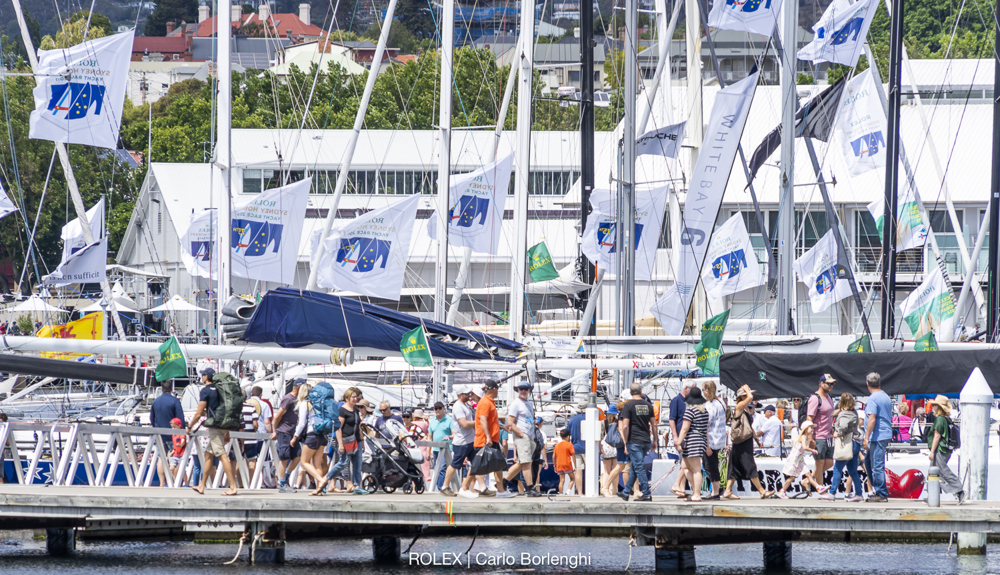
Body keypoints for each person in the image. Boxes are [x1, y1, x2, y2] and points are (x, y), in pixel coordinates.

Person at [188, 368, 239, 496]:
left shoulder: (205, 391)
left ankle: (233, 487)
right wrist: (226, 432)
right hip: (223, 425)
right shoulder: (220, 390)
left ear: (206, 377)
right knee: (208, 454)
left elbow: (199, 413)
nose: (202, 377)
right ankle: (201, 485)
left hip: (215, 427)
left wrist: (190, 426)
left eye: (203, 375)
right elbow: (224, 409)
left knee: (221, 454)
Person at [312, 387, 367, 495]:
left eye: (356, 397)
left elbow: (358, 427)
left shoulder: (356, 410)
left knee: (357, 464)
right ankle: (325, 480)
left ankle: (357, 485)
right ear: (347, 398)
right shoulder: (342, 410)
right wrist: (340, 444)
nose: (356, 399)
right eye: (353, 397)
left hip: (356, 440)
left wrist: (362, 441)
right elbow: (338, 428)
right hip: (346, 440)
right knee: (342, 463)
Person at [723, 385, 774, 499]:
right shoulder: (739, 407)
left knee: (735, 466)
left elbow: (749, 427)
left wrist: (756, 439)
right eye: (746, 394)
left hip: (744, 441)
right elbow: (750, 397)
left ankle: (727, 491)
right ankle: (762, 491)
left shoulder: (744, 409)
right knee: (750, 465)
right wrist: (746, 390)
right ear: (742, 396)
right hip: (742, 442)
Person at [462, 380, 502, 498]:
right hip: (485, 440)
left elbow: (490, 421)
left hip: (490, 439)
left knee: (496, 464)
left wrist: (501, 426)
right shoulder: (485, 402)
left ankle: (501, 490)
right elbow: (483, 420)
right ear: (494, 389)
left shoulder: (488, 402)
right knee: (478, 465)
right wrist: (488, 437)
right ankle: (464, 487)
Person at [821, 393, 864, 502]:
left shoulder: (844, 414)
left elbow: (844, 425)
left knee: (837, 469)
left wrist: (838, 432)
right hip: (855, 443)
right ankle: (859, 494)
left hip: (847, 444)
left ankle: (832, 493)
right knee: (853, 471)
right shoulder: (854, 412)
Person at [618, 382, 657, 502]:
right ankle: (626, 492)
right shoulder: (648, 405)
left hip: (634, 441)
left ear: (630, 393)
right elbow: (654, 424)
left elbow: (625, 426)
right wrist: (655, 440)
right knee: (635, 466)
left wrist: (625, 441)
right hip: (645, 440)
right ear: (641, 392)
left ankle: (646, 493)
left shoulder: (628, 406)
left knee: (638, 467)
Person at [502, 381, 540, 496]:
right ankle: (530, 488)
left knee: (522, 462)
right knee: (527, 462)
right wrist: (521, 434)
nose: (523, 391)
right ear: (517, 390)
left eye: (525, 389)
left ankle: (504, 482)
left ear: (529, 390)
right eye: (521, 389)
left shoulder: (528, 403)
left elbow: (528, 420)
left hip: (530, 436)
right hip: (522, 436)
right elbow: (510, 422)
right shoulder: (515, 404)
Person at [925, 395, 964, 503]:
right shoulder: (946, 419)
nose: (933, 407)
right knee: (933, 473)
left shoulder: (940, 419)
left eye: (935, 405)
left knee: (942, 471)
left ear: (939, 407)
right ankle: (932, 495)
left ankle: (959, 490)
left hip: (940, 450)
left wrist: (932, 452)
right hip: (945, 449)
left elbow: (937, 436)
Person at [673, 386, 708, 502]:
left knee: (696, 469)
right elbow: (706, 429)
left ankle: (697, 494)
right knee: (685, 467)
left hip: (691, 441)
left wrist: (678, 442)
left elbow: (684, 429)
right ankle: (695, 491)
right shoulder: (704, 412)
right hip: (700, 440)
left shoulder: (690, 411)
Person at [291, 384, 328, 490]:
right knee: (317, 464)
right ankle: (319, 489)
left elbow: (302, 423)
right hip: (323, 435)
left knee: (304, 461)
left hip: (312, 434)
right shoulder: (320, 402)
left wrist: (295, 437)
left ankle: (321, 480)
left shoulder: (305, 403)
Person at [441, 386, 476, 497]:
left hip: (469, 441)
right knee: (455, 464)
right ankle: (445, 487)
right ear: (460, 395)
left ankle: (465, 487)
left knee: (476, 464)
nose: (469, 395)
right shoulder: (458, 407)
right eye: (467, 394)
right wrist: (479, 421)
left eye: (469, 393)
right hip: (462, 442)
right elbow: (464, 424)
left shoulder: (464, 406)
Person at [271, 378, 304, 493]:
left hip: (292, 432)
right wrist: (275, 430)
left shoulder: (298, 400)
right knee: (284, 457)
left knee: (298, 455)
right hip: (284, 431)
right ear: (298, 387)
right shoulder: (288, 398)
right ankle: (282, 483)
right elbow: (278, 416)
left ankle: (285, 478)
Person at [863, 372, 892, 502]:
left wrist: (866, 437)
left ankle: (881, 493)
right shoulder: (885, 396)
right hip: (883, 434)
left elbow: (872, 418)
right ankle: (878, 489)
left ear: (867, 384)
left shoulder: (873, 398)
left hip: (878, 436)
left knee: (877, 465)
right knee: (868, 462)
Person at [150, 380, 185, 488]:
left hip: (160, 434)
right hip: (173, 435)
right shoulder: (175, 401)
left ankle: (162, 482)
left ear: (161, 389)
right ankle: (176, 482)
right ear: (171, 389)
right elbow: (180, 419)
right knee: (176, 457)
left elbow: (152, 419)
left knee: (161, 457)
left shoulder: (156, 402)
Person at [807, 374, 837, 491]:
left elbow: (828, 417)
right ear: (821, 383)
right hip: (818, 436)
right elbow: (809, 418)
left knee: (829, 463)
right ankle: (821, 489)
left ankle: (807, 480)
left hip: (828, 436)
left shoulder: (829, 397)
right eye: (829, 383)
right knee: (819, 464)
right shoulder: (815, 398)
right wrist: (810, 438)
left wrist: (832, 431)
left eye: (832, 384)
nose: (831, 386)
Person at [777, 421, 823, 498]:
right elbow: (805, 447)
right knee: (792, 477)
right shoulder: (803, 436)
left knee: (808, 474)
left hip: (800, 458)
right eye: (810, 427)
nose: (812, 429)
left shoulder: (806, 437)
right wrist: (813, 450)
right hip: (795, 459)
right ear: (805, 429)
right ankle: (782, 491)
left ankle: (818, 487)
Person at [702, 381, 727, 499]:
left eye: (703, 390)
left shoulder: (709, 405)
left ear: (707, 391)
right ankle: (716, 490)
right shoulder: (721, 402)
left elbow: (706, 425)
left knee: (710, 466)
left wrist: (706, 445)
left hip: (711, 440)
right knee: (714, 465)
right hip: (720, 438)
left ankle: (715, 492)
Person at [667, 385, 691, 496]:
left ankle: (681, 488)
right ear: (686, 388)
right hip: (681, 435)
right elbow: (672, 419)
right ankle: (678, 487)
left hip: (686, 435)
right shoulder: (676, 400)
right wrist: (675, 436)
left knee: (684, 462)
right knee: (684, 461)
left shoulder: (688, 401)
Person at [428, 401, 453, 491]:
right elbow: (429, 437)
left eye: (439, 408)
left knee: (442, 468)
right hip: (435, 449)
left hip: (446, 449)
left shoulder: (449, 420)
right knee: (436, 469)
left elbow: (455, 434)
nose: (437, 410)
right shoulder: (432, 421)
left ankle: (440, 488)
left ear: (443, 409)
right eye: (436, 408)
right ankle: (442, 487)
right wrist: (428, 451)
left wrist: (449, 437)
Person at [566, 399, 586, 496]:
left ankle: (580, 492)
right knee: (591, 470)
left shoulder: (572, 420)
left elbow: (568, 434)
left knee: (578, 471)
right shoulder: (589, 418)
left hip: (576, 447)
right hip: (588, 448)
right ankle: (591, 490)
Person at [554, 428, 577, 494]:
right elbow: (573, 456)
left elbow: (553, 456)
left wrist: (555, 465)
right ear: (567, 437)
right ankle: (568, 491)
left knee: (561, 480)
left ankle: (561, 493)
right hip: (567, 464)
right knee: (572, 478)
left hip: (559, 465)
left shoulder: (557, 445)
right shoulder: (569, 445)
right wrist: (575, 466)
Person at [169, 417, 186, 485]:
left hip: (181, 453)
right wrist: (173, 451)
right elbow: (174, 445)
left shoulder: (181, 432)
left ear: (179, 426)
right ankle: (176, 482)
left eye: (174, 427)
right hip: (175, 453)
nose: (173, 429)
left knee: (181, 469)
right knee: (171, 468)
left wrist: (181, 444)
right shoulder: (174, 435)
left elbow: (183, 441)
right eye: (172, 427)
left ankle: (186, 482)